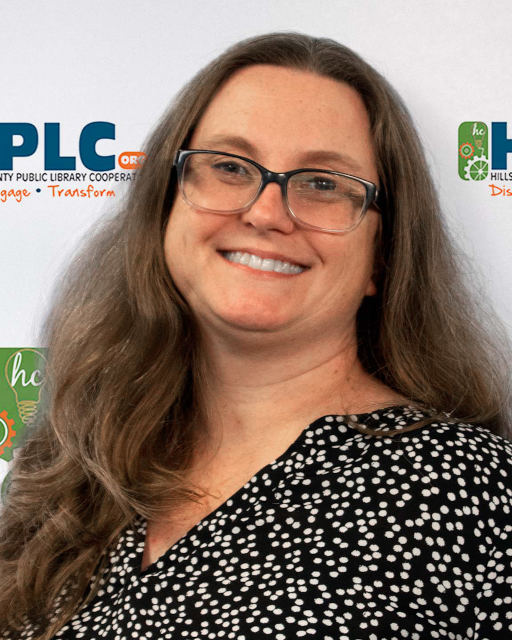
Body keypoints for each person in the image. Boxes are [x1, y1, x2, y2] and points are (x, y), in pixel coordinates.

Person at [1, 32, 511, 640]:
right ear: (165, 207)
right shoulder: (73, 467)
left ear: (383, 255)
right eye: (229, 167)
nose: (267, 212)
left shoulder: (467, 487)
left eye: (323, 183)